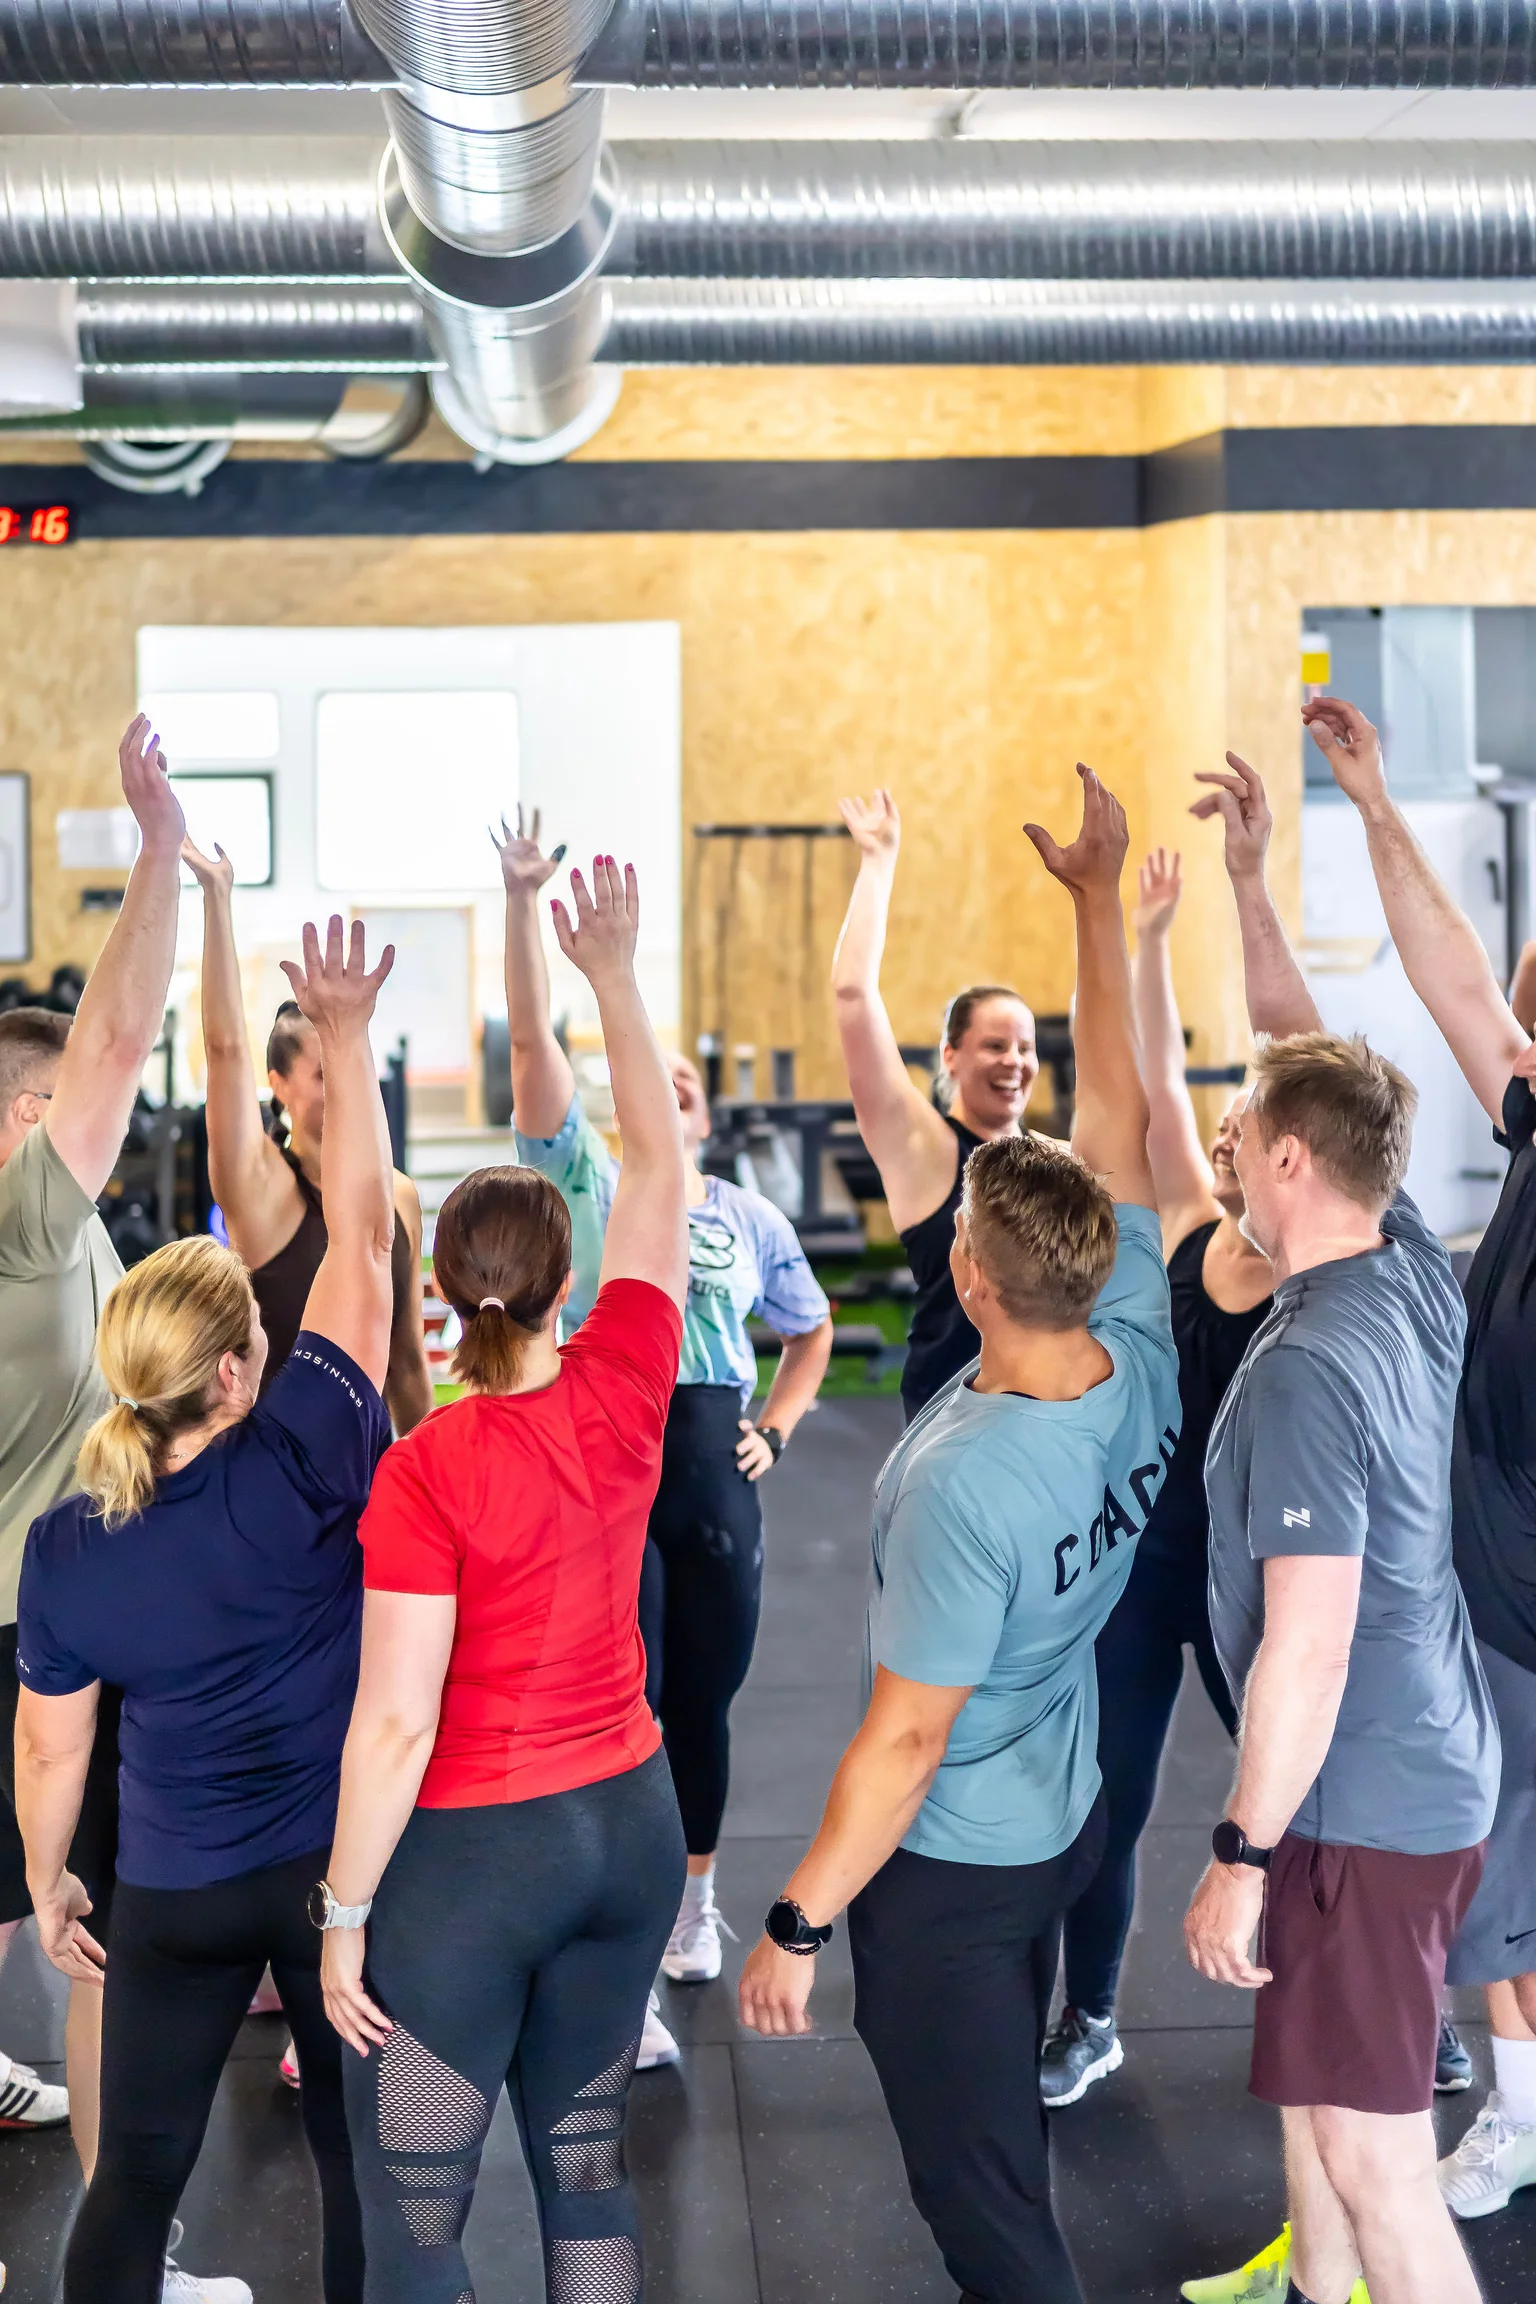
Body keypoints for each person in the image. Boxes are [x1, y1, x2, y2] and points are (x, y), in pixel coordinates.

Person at [739, 765, 1180, 2304]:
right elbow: (1124, 1110)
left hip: (960, 1849)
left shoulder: (957, 1490)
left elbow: (904, 1744)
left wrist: (798, 1917)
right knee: (1003, 2135)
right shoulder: (1141, 1328)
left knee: (979, 2195)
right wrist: (1098, 905)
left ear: (975, 1278)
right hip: (1054, 1800)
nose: (1010, 1068)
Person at [317, 855, 689, 2304]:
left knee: (418, 2215)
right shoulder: (630, 1380)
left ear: (447, 1289)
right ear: (559, 1279)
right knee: (585, 2170)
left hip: (480, 1864)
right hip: (633, 1833)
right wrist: (611, 976)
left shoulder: (428, 1467)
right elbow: (659, 1166)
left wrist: (344, 1914)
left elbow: (397, 1728)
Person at [15, 910, 398, 2304]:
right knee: (363, 2161)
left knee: (133, 2178)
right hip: (328, 1878)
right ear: (240, 1370)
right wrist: (346, 1049)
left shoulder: (68, 1548)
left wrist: (54, 1878)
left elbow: (54, 1750)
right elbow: (362, 1242)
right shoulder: (306, 1456)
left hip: (169, 1895)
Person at [1180, 748, 1496, 2304]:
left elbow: (1301, 1649)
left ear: (1291, 1163)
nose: (1225, 1146)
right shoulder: (1406, 1265)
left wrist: (1239, 1852)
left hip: (1358, 1796)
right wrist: (1249, 882)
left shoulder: (1308, 1366)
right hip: (1398, 1772)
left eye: (1241, 1133)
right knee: (1315, 2113)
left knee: (1380, 2165)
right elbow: (1300, 1061)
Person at [498, 810, 833, 2014]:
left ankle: (693, 1898)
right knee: (610, 1698)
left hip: (711, 1471)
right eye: (654, 1076)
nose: (667, 1092)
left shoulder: (748, 1217)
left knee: (700, 1698)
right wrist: (524, 907)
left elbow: (811, 1332)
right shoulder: (581, 1174)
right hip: (605, 1455)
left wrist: (779, 1428)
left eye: (682, 1085)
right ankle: (610, 1918)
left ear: (697, 1114)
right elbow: (539, 1046)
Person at [1294, 696, 1536, 2229]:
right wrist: (1377, 807)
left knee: (1505, 1886)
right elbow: (1455, 981)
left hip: (1517, 1598)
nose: (1518, 1022)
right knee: (1501, 1895)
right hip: (1501, 1598)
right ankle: (1519, 2113)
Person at [1040, 846, 1270, 2110]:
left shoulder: (1312, 1280)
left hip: (1254, 1576)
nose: (1226, 1129)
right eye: (1226, 1118)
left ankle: (1404, 2009)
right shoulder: (1184, 1225)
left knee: (1309, 1802)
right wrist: (1149, 931)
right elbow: (1154, 1084)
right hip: (1142, 1565)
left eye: (1253, 1118)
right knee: (1108, 1803)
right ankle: (1093, 2017)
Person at [0, 719, 192, 2184]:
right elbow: (120, 1038)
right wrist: (158, 850)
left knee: (23, 1898)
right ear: (26, 1118)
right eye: (60, 1105)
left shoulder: (52, 1240)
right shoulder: (25, 1219)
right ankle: (123, 2257)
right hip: (43, 1620)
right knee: (87, 1923)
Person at [183, 836, 431, 1433]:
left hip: (366, 1476)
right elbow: (223, 1051)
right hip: (279, 1482)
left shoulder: (397, 1195)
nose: (343, 1086)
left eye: (351, 1067)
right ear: (278, 1084)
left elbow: (406, 1365)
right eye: (322, 1074)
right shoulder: (261, 1188)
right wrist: (218, 898)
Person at [831, 787, 1040, 1419]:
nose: (1014, 1062)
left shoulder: (1053, 1161)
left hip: (1049, 1423)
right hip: (952, 1426)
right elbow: (851, 996)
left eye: (1025, 1047)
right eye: (994, 1045)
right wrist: (880, 861)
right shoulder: (927, 1151)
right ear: (949, 1056)